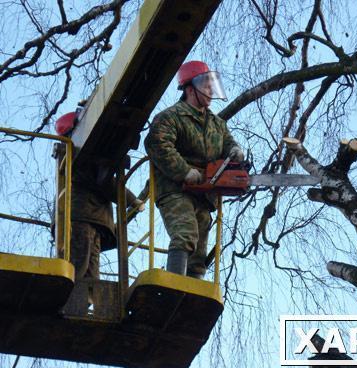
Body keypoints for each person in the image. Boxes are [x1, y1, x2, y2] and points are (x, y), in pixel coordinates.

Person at [144, 60, 244, 279]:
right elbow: (157, 144)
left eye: (212, 86)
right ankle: (174, 284)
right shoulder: (170, 117)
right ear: (190, 89)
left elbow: (227, 142)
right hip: (175, 189)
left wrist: (235, 150)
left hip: (205, 193)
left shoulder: (217, 123)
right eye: (206, 87)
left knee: (199, 251)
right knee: (185, 233)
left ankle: (193, 292)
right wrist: (184, 171)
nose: (210, 91)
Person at [54, 113, 144, 298]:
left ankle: (84, 306)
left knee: (91, 275)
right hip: (80, 218)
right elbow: (102, 182)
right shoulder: (74, 154)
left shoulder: (78, 155)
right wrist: (132, 200)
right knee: (76, 267)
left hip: (91, 220)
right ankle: (65, 303)